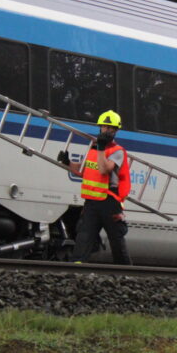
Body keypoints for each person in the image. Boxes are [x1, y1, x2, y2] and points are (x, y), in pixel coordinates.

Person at [58, 110, 132, 264]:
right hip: (92, 202)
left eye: (111, 128)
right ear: (100, 127)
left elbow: (104, 169)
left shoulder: (117, 151)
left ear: (116, 130)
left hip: (110, 201)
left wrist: (101, 149)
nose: (108, 130)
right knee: (84, 236)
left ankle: (126, 272)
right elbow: (84, 170)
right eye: (105, 127)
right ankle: (76, 268)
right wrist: (68, 163)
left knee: (116, 239)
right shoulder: (93, 148)